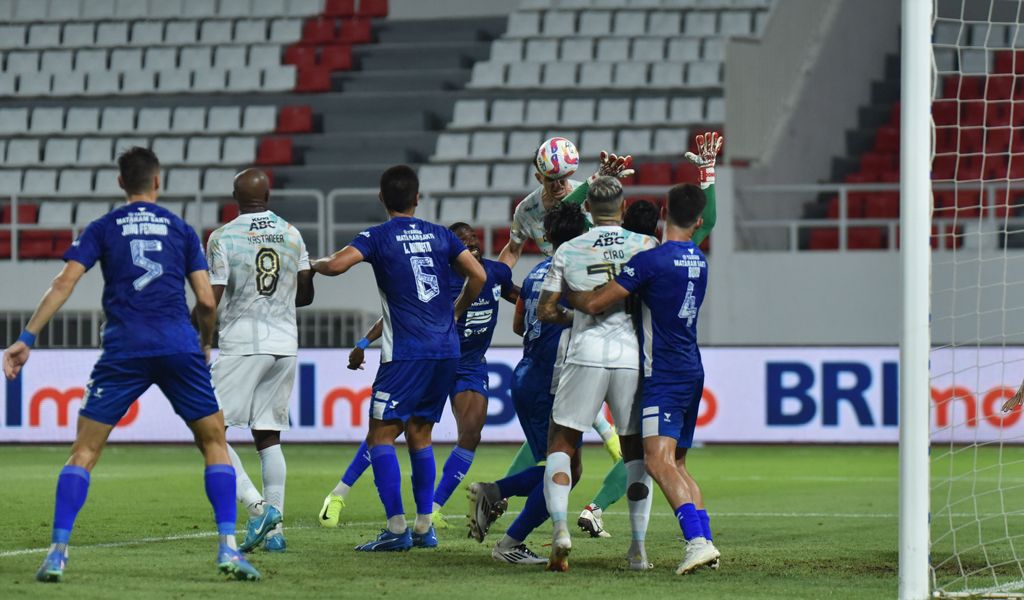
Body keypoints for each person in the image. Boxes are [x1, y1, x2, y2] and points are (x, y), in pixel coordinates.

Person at [2, 147, 261, 582]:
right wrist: (203, 342)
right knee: (214, 442)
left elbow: (64, 282)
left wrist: (26, 338)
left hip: (124, 349)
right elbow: (204, 299)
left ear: (121, 183)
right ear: (158, 182)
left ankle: (57, 553)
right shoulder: (180, 229)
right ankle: (229, 549)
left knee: (84, 451)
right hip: (178, 345)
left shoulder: (103, 227)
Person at [310, 165, 486, 551]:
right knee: (421, 434)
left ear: (381, 197)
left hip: (406, 353)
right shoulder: (441, 235)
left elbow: (338, 265)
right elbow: (478, 275)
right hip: (446, 351)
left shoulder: (378, 236)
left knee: (380, 436)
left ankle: (395, 529)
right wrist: (455, 311)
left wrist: (313, 264)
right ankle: (425, 527)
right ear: (417, 197)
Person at [319, 223, 518, 530]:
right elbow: (394, 316)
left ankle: (433, 509)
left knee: (471, 433)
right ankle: (338, 494)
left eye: (474, 240)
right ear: (453, 252)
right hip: (434, 358)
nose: (472, 245)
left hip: (469, 364)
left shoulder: (494, 273)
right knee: (392, 430)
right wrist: (363, 342)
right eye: (464, 242)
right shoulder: (436, 279)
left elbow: (519, 289)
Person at [567, 182, 720, 575]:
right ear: (699, 221)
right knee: (678, 465)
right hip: (691, 368)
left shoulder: (654, 261)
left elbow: (600, 301)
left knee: (655, 461)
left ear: (665, 210)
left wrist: (571, 294)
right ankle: (706, 540)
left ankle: (697, 542)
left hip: (663, 373)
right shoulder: (698, 259)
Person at [534, 176, 659, 572]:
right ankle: (638, 549)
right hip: (630, 358)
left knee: (562, 441)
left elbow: (545, 310)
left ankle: (560, 531)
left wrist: (577, 315)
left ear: (587, 209)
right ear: (623, 209)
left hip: (585, 353)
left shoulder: (570, 249)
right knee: (635, 450)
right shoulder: (646, 245)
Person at [465, 202, 588, 565]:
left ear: (547, 237)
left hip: (528, 373)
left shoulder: (537, 272)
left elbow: (519, 324)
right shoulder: (574, 273)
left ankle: (494, 492)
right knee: (564, 470)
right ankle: (510, 542)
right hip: (548, 382)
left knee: (565, 467)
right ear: (581, 235)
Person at [205, 168, 315, 553]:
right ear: (267, 195)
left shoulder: (223, 236)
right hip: (284, 342)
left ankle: (256, 508)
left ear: (235, 196)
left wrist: (196, 338)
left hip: (242, 342)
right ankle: (276, 533)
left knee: (209, 429)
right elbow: (305, 296)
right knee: (268, 437)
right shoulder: (291, 233)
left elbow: (211, 298)